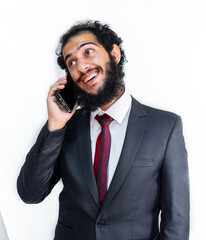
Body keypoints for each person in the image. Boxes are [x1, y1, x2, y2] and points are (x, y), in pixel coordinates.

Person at [17, 20, 190, 240]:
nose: (81, 66)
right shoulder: (66, 127)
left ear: (114, 54)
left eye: (88, 52)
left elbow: (176, 222)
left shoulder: (165, 127)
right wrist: (55, 124)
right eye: (71, 63)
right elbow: (30, 193)